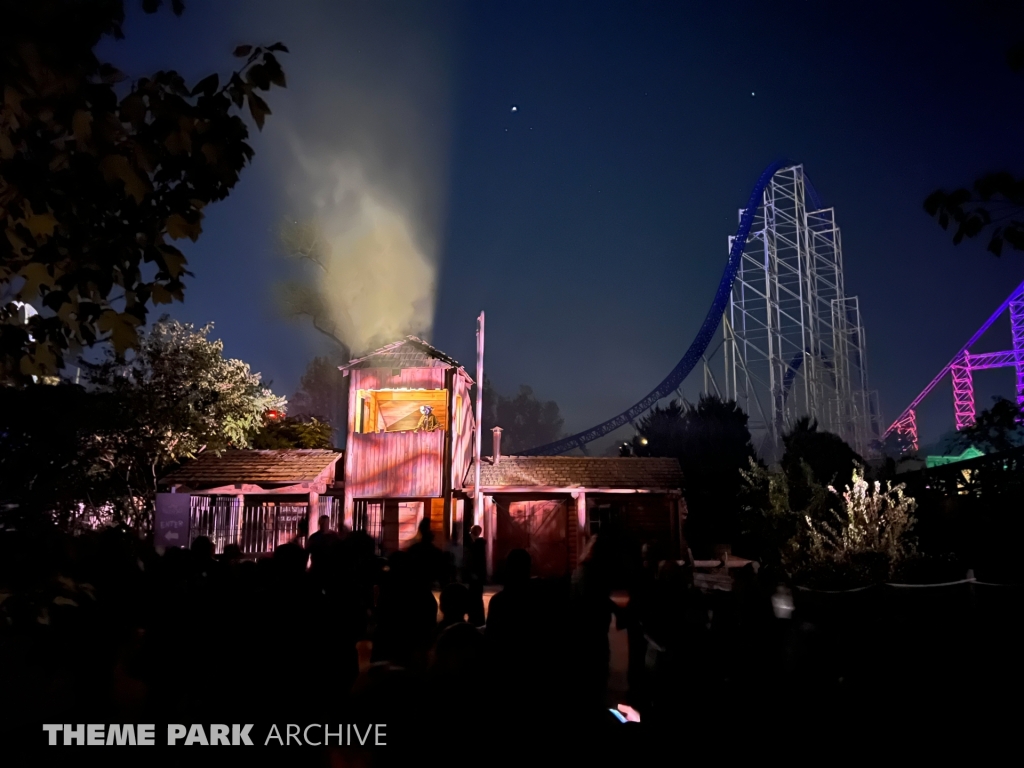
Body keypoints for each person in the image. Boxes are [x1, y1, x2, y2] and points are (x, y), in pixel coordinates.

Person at [465, 524, 487, 626]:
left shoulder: (476, 545)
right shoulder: (480, 544)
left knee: (474, 597)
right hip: (479, 575)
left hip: (476, 575)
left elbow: (475, 561)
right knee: (477, 597)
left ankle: (475, 619)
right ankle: (478, 619)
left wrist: (473, 573)